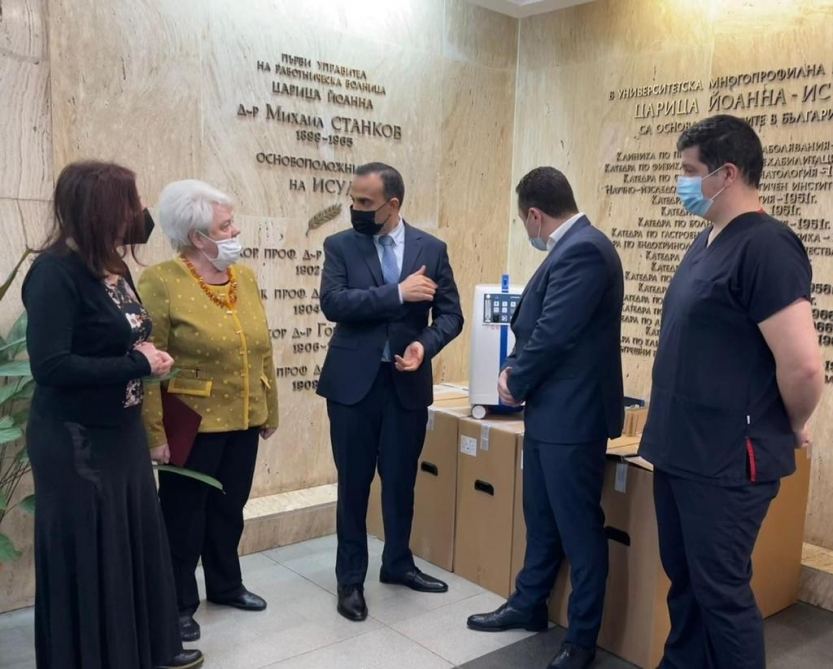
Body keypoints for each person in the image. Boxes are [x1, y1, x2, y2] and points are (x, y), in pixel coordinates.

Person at [638, 114, 823, 669]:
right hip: (680, 450)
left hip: (725, 461)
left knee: (720, 592)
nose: (682, 182)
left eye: (690, 170)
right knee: (686, 583)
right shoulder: (708, 240)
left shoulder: (767, 246)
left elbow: (804, 367)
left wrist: (791, 424)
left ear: (728, 174)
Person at [22, 161, 203, 669]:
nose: (139, 212)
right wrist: (136, 364)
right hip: (75, 440)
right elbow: (50, 366)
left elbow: (126, 336)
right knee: (91, 548)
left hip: (121, 430)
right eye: (130, 202)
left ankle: (142, 648)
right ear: (102, 210)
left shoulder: (116, 268)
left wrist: (147, 357)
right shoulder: (54, 273)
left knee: (130, 541)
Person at [467, 167, 624, 669]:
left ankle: (581, 640)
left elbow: (555, 332)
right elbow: (536, 327)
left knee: (579, 529)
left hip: (573, 419)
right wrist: (516, 368)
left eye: (523, 222)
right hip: (549, 415)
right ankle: (529, 604)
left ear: (535, 215)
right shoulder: (570, 248)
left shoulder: (585, 250)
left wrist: (514, 379)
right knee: (541, 517)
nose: (526, 230)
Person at [317, 162, 464, 621]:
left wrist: (425, 344)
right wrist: (398, 294)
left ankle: (397, 563)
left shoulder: (431, 249)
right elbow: (333, 303)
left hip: (406, 385)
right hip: (352, 386)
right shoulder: (340, 245)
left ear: (392, 204)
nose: (356, 209)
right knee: (354, 484)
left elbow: (451, 315)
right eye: (353, 200)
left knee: (400, 481)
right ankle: (350, 580)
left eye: (366, 202)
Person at [138, 180, 279, 642]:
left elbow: (262, 350)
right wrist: (154, 433)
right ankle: (178, 602)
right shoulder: (160, 281)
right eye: (225, 226)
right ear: (198, 237)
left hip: (243, 418)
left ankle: (225, 585)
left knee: (229, 509)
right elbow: (148, 362)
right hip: (190, 424)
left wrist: (269, 410)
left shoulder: (244, 277)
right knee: (183, 517)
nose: (235, 231)